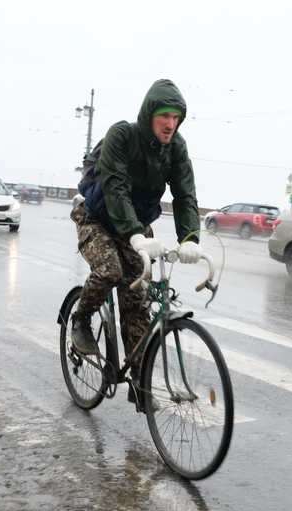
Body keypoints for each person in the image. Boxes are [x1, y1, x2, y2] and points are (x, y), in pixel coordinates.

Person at [70, 79, 202, 409]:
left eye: (176, 117)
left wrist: (190, 238)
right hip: (97, 218)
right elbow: (115, 189)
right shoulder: (121, 136)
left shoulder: (176, 148)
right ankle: (80, 320)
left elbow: (185, 195)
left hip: (136, 228)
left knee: (138, 298)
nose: (170, 124)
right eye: (164, 116)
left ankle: (139, 384)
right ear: (149, 114)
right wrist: (136, 235)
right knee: (110, 270)